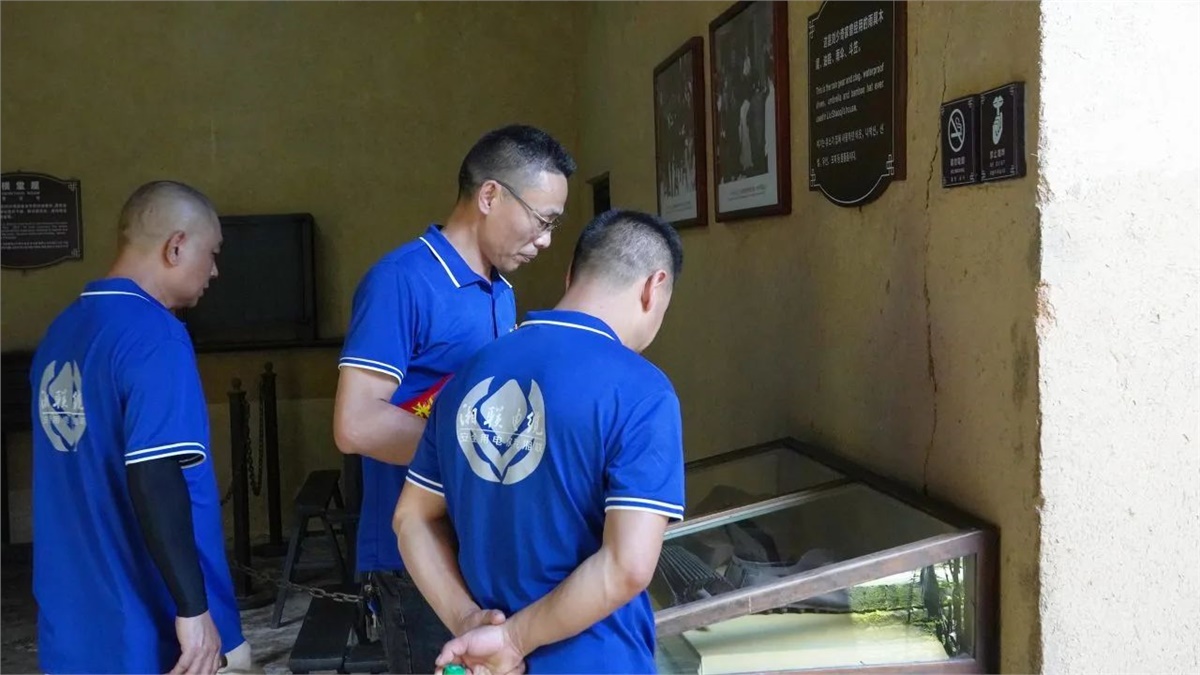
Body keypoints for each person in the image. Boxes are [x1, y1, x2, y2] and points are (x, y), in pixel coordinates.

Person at [394, 209, 686, 674]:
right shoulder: (642, 391)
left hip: (487, 664)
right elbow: (628, 565)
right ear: (654, 287)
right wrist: (513, 639)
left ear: (571, 274)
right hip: (598, 661)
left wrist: (469, 621)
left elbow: (411, 518)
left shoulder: (469, 374)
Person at [333, 124, 575, 673]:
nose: (545, 241)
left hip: (478, 547)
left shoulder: (501, 291)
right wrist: (475, 457)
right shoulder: (401, 281)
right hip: (416, 557)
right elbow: (356, 423)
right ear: (489, 195)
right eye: (542, 221)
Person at [31, 180, 250, 674]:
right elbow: (155, 476)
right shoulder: (155, 336)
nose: (215, 270)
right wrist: (194, 611)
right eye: (212, 253)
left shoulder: (60, 332)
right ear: (176, 246)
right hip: (151, 625)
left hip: (73, 624)